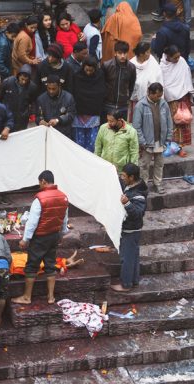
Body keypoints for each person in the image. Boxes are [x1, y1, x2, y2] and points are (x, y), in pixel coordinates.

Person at [13, 170, 69, 305]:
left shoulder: (40, 199)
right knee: (50, 265)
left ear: (43, 181)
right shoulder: (63, 197)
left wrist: (25, 239)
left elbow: (32, 222)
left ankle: (27, 297)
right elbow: (64, 219)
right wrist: (62, 234)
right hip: (54, 235)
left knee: (32, 266)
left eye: (39, 182)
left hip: (40, 237)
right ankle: (51, 297)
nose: (39, 185)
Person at [111, 163, 148, 292]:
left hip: (131, 230)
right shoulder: (131, 186)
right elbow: (121, 186)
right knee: (133, 256)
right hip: (131, 229)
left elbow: (138, 213)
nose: (122, 177)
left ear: (131, 177)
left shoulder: (138, 194)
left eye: (124, 176)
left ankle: (126, 284)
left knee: (126, 258)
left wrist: (127, 203)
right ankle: (134, 280)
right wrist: (113, 172)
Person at [133, 83, 172, 194]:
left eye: (160, 95)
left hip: (160, 140)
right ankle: (143, 185)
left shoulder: (163, 104)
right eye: (157, 95)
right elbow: (136, 126)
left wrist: (168, 137)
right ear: (150, 93)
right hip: (147, 142)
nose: (159, 98)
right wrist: (142, 142)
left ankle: (157, 184)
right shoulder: (140, 105)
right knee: (144, 165)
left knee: (159, 163)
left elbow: (169, 121)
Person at [160, 45, 193, 156]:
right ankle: (174, 146)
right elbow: (164, 84)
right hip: (171, 99)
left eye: (178, 57)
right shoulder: (162, 67)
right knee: (173, 124)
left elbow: (187, 76)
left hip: (183, 96)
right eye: (175, 58)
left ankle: (181, 147)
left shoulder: (182, 61)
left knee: (184, 123)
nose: (178, 59)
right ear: (168, 57)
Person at [72, 57, 106, 151]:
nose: (88, 73)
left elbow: (101, 93)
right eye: (86, 70)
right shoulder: (77, 76)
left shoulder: (100, 76)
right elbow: (74, 92)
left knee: (92, 143)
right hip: (79, 114)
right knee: (79, 143)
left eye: (91, 70)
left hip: (93, 114)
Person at [35, 74, 76, 139]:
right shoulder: (41, 99)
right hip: (47, 134)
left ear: (59, 86)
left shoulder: (68, 97)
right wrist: (40, 121)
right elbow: (38, 116)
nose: (51, 91)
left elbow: (71, 115)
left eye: (54, 89)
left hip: (64, 135)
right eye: (49, 88)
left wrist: (58, 120)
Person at [103, 40, 137, 118]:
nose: (122, 56)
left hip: (123, 105)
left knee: (121, 128)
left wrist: (126, 98)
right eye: (120, 53)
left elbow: (131, 85)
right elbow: (103, 84)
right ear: (115, 53)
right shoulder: (107, 66)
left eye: (124, 53)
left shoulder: (131, 67)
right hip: (108, 104)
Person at [0, 64, 38, 131]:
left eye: (26, 78)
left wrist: (30, 113)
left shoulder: (32, 87)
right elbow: (0, 97)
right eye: (22, 78)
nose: (23, 81)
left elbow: (33, 101)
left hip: (22, 118)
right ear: (19, 75)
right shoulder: (7, 82)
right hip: (7, 115)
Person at [129, 42, 163, 119]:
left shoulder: (152, 61)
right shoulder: (131, 64)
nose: (149, 54)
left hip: (152, 100)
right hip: (136, 101)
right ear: (141, 54)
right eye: (147, 52)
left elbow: (158, 77)